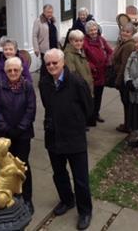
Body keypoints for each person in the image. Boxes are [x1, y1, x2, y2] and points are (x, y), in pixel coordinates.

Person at [39, 49, 93, 230]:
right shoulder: (45, 83)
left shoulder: (77, 83)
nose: (52, 66)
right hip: (54, 137)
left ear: (63, 63)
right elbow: (47, 105)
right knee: (59, 174)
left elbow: (88, 109)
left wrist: (75, 122)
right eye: (48, 64)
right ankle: (67, 200)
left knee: (80, 178)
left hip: (74, 137)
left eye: (55, 63)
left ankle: (85, 211)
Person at [0, 57, 36, 215]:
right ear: (5, 71)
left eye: (16, 70)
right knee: (5, 168)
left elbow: (31, 109)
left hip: (23, 135)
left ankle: (27, 198)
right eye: (9, 70)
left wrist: (20, 128)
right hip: (5, 136)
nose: (13, 72)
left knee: (22, 166)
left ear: (21, 70)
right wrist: (6, 128)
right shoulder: (0, 87)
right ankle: (10, 194)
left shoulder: (27, 86)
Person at [83, 20, 113, 125]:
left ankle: (96, 114)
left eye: (95, 29)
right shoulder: (84, 42)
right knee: (91, 96)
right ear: (87, 32)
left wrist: (108, 60)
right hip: (92, 74)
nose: (93, 32)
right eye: (91, 30)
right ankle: (89, 117)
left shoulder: (101, 40)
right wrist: (91, 66)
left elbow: (110, 51)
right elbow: (83, 58)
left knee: (99, 95)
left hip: (102, 72)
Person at [112, 23, 136, 133]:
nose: (124, 33)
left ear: (132, 34)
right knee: (125, 102)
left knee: (127, 102)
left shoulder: (129, 45)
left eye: (127, 32)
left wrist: (118, 81)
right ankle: (128, 124)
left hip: (124, 79)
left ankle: (128, 126)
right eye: (123, 31)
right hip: (122, 77)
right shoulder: (123, 43)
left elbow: (125, 65)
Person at [63, 30, 94, 97]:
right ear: (70, 41)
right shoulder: (69, 55)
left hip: (86, 87)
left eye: (81, 41)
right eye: (76, 41)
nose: (79, 43)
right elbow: (72, 74)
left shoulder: (80, 51)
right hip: (79, 89)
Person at [32, 4, 59, 78]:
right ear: (44, 12)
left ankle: (51, 79)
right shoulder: (38, 21)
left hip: (54, 46)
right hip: (45, 48)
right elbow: (34, 35)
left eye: (51, 12)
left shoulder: (52, 20)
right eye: (48, 12)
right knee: (45, 65)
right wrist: (36, 48)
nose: (50, 14)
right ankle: (43, 81)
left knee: (52, 64)